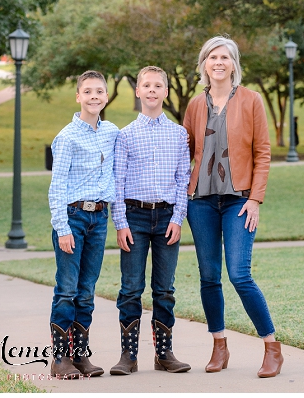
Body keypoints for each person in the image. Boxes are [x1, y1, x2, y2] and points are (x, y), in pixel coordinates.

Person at [183, 35, 282, 378]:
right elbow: (186, 152)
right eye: (213, 57)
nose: (219, 63)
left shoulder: (252, 100)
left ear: (234, 64)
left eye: (225, 57)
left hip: (239, 201)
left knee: (240, 274)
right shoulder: (196, 105)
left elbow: (263, 153)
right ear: (204, 65)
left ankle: (271, 346)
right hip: (202, 203)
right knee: (209, 276)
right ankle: (219, 345)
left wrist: (255, 198)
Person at [109, 66, 191, 375]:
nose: (153, 90)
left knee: (165, 289)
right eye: (147, 85)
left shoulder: (179, 134)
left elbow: (183, 179)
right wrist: (121, 223)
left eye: (159, 85)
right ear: (138, 91)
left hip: (167, 217)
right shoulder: (125, 135)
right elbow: (117, 182)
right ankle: (128, 356)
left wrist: (178, 218)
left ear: (166, 92)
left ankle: (164, 354)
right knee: (131, 288)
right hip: (135, 217)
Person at [47, 71, 118, 378]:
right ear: (78, 96)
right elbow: (56, 186)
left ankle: (80, 356)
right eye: (87, 91)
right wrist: (62, 228)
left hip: (99, 218)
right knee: (67, 289)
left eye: (99, 91)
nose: (93, 96)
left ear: (106, 96)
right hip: (73, 218)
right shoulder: (66, 138)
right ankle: (60, 359)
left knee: (86, 291)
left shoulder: (112, 131)